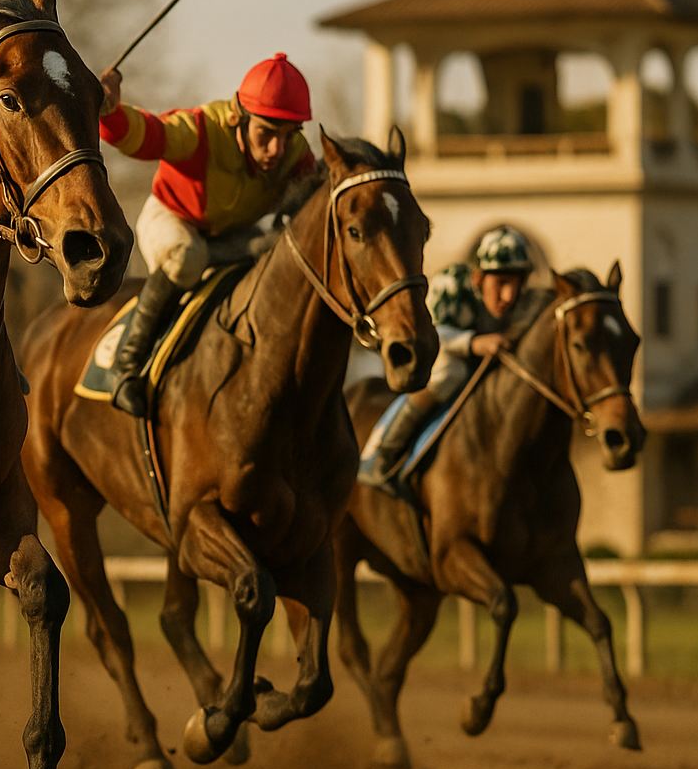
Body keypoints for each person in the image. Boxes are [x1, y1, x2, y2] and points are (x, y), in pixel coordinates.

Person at [97, 53, 317, 417]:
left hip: (229, 234)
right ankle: (126, 366)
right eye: (266, 134)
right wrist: (110, 113)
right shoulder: (201, 129)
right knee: (189, 256)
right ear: (240, 118)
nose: (278, 150)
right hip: (172, 218)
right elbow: (148, 135)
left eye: (289, 135)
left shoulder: (297, 156)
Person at [362, 225, 535, 486]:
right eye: (500, 283)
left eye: (515, 283)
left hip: (474, 361)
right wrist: (472, 343)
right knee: (450, 373)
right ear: (478, 279)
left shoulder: (522, 303)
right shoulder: (450, 285)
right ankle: (385, 451)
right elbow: (428, 333)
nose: (509, 296)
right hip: (432, 360)